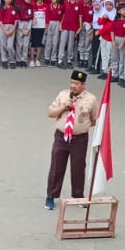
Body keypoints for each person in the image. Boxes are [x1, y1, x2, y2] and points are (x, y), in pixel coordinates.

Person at [45, 69, 99, 210]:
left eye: (76, 83)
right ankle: (51, 196)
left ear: (83, 85)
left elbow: (94, 119)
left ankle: (78, 196)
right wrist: (64, 106)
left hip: (79, 139)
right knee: (56, 166)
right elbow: (51, 113)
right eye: (72, 82)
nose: (73, 86)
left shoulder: (91, 99)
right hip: (61, 137)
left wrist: (81, 126)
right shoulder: (63, 95)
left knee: (78, 167)